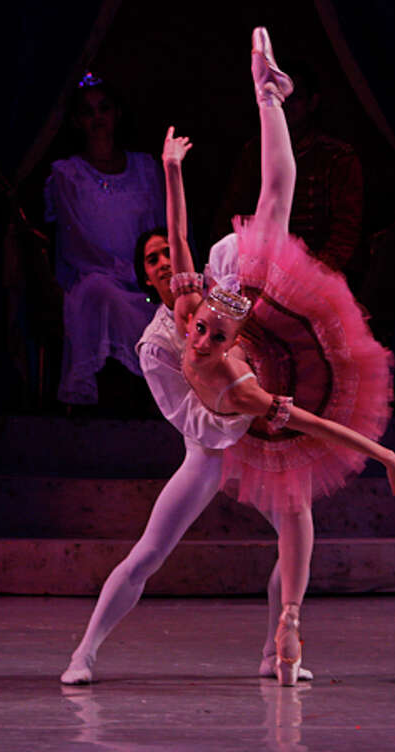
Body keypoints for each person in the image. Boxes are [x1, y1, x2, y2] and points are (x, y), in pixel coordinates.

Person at [165, 28, 395, 685]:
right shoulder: (243, 390)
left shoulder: (195, 321)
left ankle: (268, 94)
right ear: (228, 347)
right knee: (298, 507)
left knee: (270, 210)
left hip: (258, 323)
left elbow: (179, 243)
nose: (203, 330)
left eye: (203, 330)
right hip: (286, 369)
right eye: (213, 334)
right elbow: (321, 426)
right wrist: (383, 452)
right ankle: (293, 621)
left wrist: (171, 172)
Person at [60, 224, 314, 686]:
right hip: (208, 452)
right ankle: (84, 653)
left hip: (255, 444)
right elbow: (195, 423)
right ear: (147, 277)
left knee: (296, 532)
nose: (162, 262)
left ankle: (274, 651)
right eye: (151, 259)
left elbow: (245, 256)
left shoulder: (220, 293)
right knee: (149, 553)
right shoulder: (156, 344)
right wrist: (249, 406)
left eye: (166, 254)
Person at [44, 74, 163, 405]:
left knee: (167, 305)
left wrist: (147, 271)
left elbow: (159, 226)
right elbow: (74, 240)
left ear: (117, 114)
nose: (97, 118)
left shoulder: (143, 167)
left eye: (104, 109)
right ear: (76, 121)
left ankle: (163, 394)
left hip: (143, 276)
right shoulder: (68, 174)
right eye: (88, 111)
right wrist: (117, 269)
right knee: (104, 294)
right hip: (94, 274)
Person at [214, 60, 363, 273]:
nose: (286, 104)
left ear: (313, 102)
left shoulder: (337, 157)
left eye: (296, 98)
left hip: (316, 271)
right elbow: (232, 213)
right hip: (260, 267)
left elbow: (345, 231)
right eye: (281, 96)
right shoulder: (254, 152)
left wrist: (315, 275)